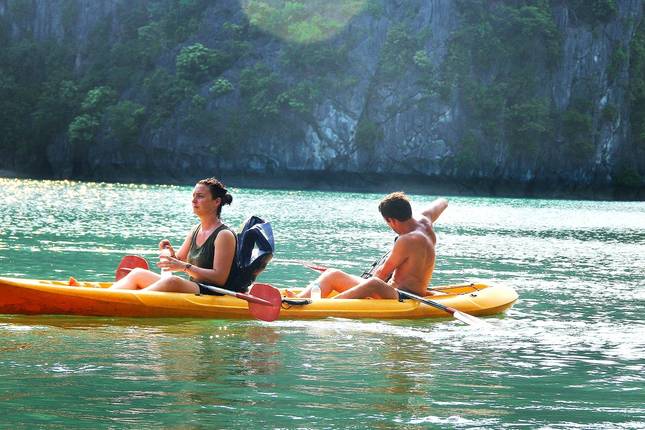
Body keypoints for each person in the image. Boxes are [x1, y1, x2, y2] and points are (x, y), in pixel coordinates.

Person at [298, 192, 448, 300]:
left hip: (403, 296)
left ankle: (325, 305)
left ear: (391, 220)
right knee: (333, 273)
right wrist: (356, 285)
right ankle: (300, 299)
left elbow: (382, 274)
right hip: (407, 291)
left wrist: (360, 287)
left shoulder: (406, 240)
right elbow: (442, 202)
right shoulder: (425, 221)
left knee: (373, 283)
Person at [110, 177, 238, 294]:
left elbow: (219, 278)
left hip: (215, 292)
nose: (193, 200)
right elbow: (179, 260)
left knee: (173, 281)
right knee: (138, 273)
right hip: (195, 287)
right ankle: (110, 296)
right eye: (193, 196)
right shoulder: (195, 230)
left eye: (200, 196)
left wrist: (184, 267)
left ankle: (129, 301)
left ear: (216, 201)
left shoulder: (224, 235)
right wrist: (170, 255)